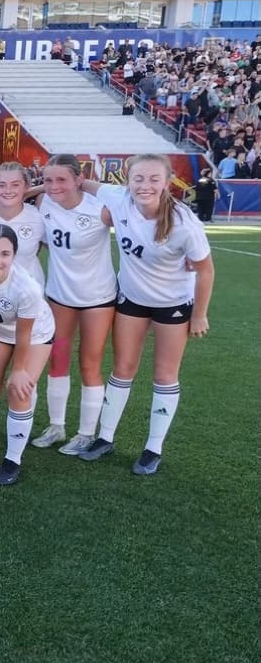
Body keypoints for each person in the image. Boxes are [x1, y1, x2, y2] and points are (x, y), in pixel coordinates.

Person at [79, 155, 214, 475]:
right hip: (132, 299)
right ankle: (105, 437)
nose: (145, 185)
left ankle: (153, 447)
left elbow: (206, 271)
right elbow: (83, 183)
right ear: (128, 180)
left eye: (154, 179)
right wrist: (42, 186)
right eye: (138, 178)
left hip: (173, 303)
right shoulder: (118, 198)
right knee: (123, 368)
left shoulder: (184, 223)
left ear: (167, 183)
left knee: (165, 375)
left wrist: (199, 315)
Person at [27, 154, 117, 454]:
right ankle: (56, 426)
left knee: (89, 363)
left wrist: (87, 185)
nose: (54, 186)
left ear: (79, 179)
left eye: (62, 179)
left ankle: (86, 433)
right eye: (48, 179)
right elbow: (25, 195)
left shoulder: (100, 209)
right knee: (58, 360)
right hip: (60, 295)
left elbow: (131, 207)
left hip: (97, 298)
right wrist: (40, 188)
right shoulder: (44, 203)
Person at [0, 224, 56, 486]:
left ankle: (12, 459)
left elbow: (24, 336)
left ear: (14, 256)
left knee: (20, 390)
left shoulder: (26, 288)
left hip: (35, 335)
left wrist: (19, 371)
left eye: (5, 254)